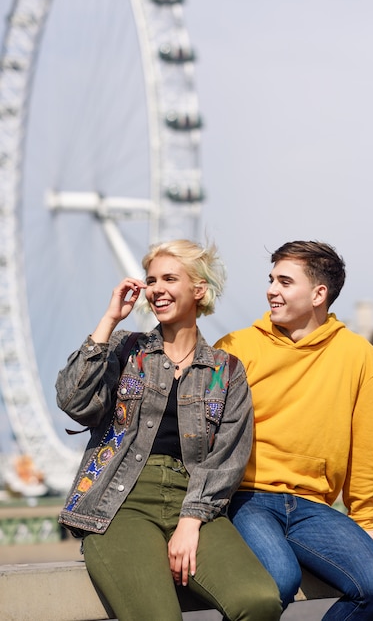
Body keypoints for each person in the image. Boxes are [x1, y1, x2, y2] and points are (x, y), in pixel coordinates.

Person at [56, 239, 282, 621]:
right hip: (119, 502)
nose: (157, 288)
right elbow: (73, 401)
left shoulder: (226, 371)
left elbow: (228, 456)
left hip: (195, 500)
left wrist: (190, 522)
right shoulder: (125, 349)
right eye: (151, 280)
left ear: (199, 290)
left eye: (169, 278)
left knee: (259, 600)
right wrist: (110, 319)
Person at [215, 240, 373, 620]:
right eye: (271, 280)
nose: (271, 290)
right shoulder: (236, 348)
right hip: (247, 499)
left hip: (314, 508)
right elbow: (202, 434)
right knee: (279, 580)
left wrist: (364, 521)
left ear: (319, 294)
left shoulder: (359, 356)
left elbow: (367, 446)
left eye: (285, 282)